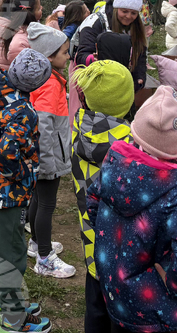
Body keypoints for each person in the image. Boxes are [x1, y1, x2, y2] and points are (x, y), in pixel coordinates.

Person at [87, 86, 177, 332]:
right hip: (153, 311)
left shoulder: (115, 158)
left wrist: (114, 241)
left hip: (115, 293)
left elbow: (93, 203)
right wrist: (174, 285)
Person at [0, 49, 52, 333]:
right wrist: (19, 177)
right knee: (13, 252)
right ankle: (13, 317)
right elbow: (8, 153)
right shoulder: (23, 111)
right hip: (6, 190)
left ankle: (0, 303)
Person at [69, 60, 135, 333]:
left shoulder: (79, 126)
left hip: (92, 244)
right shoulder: (131, 147)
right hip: (125, 256)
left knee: (95, 310)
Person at [25, 24, 75, 279]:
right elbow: (43, 124)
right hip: (48, 155)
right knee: (46, 203)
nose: (68, 57)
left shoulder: (45, 78)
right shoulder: (51, 83)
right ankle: (44, 258)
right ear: (49, 56)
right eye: (64, 53)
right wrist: (46, 162)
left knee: (38, 200)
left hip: (43, 154)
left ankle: (36, 244)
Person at [74, 0, 148, 111]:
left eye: (134, 13)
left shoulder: (135, 27)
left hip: (118, 79)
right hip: (92, 77)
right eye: (124, 11)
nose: (129, 16)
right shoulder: (95, 22)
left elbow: (140, 53)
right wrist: (93, 59)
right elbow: (81, 55)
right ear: (116, 8)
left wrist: (139, 76)